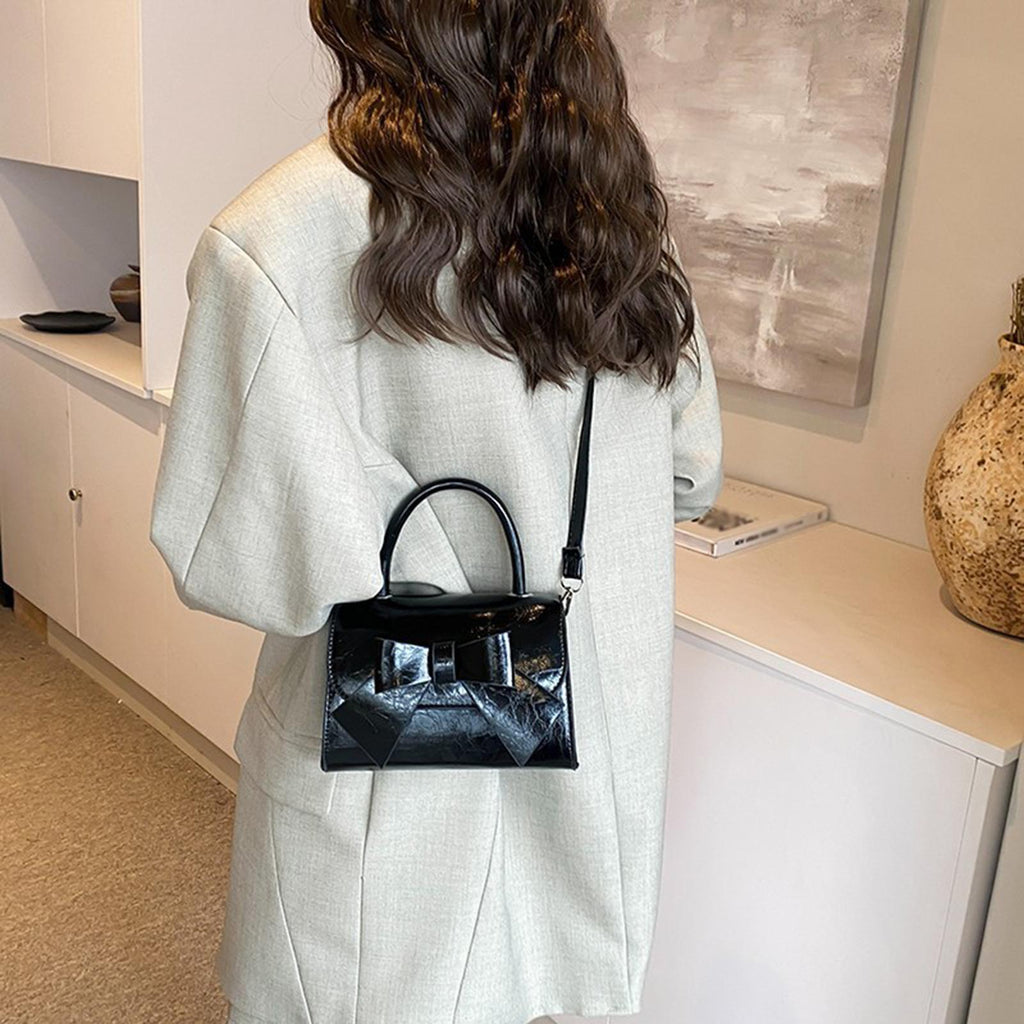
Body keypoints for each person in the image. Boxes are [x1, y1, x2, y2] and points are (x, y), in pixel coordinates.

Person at [149, 2, 724, 1022]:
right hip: (587, 740)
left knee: (370, 983)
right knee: (549, 982)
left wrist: (398, 524)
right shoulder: (619, 225)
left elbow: (238, 561)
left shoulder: (281, 234)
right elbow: (689, 473)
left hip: (386, 761)